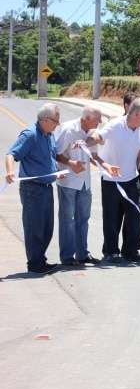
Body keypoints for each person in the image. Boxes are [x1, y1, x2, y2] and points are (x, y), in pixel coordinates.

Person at [55, 107, 119, 266]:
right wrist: (70, 163)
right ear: (86, 118)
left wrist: (107, 166)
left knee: (83, 219)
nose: (98, 124)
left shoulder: (91, 133)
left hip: (84, 182)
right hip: (68, 181)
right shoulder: (69, 129)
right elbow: (55, 152)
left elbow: (94, 156)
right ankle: (67, 257)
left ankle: (82, 254)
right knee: (67, 220)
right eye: (96, 121)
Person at [5, 103, 62, 273]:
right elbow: (11, 154)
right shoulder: (30, 135)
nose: (57, 124)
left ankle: (40, 259)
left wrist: (58, 171)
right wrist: (9, 172)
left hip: (46, 187)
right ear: (44, 120)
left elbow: (50, 158)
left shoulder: (49, 135)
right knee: (34, 228)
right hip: (32, 189)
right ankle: (35, 264)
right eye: (55, 121)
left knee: (47, 227)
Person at [97, 97, 140, 263]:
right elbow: (98, 137)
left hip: (132, 178)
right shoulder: (115, 126)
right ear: (136, 113)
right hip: (111, 180)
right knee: (112, 217)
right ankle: (111, 251)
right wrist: (90, 138)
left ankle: (131, 250)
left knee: (134, 216)